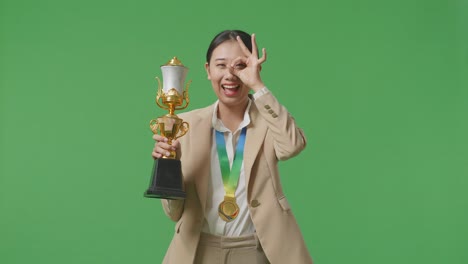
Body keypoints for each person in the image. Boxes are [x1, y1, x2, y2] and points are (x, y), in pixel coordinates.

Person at [152, 30, 313, 264]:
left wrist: (258, 87)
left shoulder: (269, 120)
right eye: (221, 65)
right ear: (208, 70)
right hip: (198, 249)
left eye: (240, 66)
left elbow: (292, 145)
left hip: (256, 250)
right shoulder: (183, 126)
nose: (230, 75)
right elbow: (174, 212)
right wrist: (168, 167)